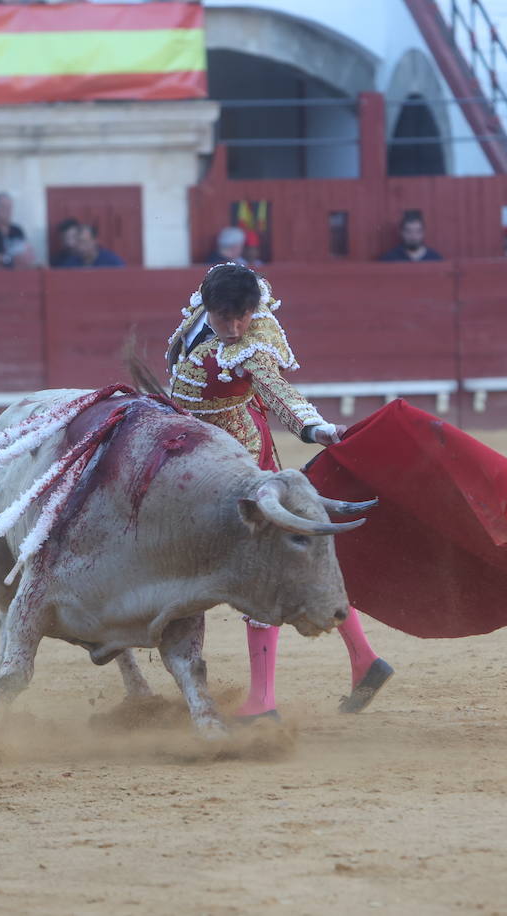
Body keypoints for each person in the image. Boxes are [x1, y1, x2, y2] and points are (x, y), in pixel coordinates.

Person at [164, 264, 393, 720]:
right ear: (207, 305)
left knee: (263, 571)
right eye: (224, 317)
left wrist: (317, 428)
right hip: (205, 454)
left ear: (254, 310)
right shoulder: (201, 313)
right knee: (283, 565)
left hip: (242, 465)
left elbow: (280, 392)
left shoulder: (253, 346)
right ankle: (365, 660)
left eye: (242, 317)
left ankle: (262, 701)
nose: (233, 328)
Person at [377, 212, 443, 261]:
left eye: (417, 231)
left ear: (423, 233)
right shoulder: (390, 258)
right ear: (402, 233)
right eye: (408, 231)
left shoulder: (434, 258)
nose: (413, 236)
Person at [52, 224, 124, 268]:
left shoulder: (112, 261)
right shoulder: (70, 262)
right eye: (78, 242)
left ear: (95, 241)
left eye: (84, 242)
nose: (80, 247)